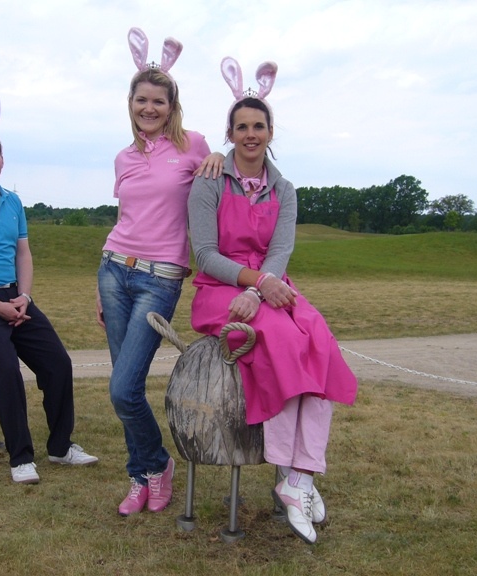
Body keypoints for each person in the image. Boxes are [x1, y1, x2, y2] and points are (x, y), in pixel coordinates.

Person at [188, 57, 358, 544]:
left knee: (319, 341)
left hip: (269, 283)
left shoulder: (284, 188)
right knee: (283, 340)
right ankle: (290, 470)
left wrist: (264, 285)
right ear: (230, 131)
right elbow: (204, 254)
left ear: (270, 130)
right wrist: (253, 285)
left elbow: (281, 251)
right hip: (222, 290)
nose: (250, 134)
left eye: (258, 125)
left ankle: (298, 477)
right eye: (240, 126)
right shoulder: (209, 181)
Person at [96, 28, 223, 516]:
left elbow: (219, 182)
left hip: (160, 278)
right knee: (121, 386)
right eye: (141, 99)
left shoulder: (194, 145)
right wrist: (101, 288)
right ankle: (141, 475)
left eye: (158, 101)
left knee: (123, 388)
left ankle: (158, 464)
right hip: (113, 271)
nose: (149, 108)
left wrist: (217, 156)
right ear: (130, 102)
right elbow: (127, 218)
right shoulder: (123, 157)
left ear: (172, 106)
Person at [0, 97, 98, 485]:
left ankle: (60, 447)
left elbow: (23, 254)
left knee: (58, 363)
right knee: (8, 369)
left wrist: (23, 297)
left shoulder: (12, 202)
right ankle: (21, 457)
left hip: (13, 295)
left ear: (2, 159)